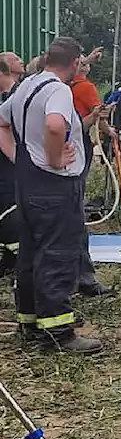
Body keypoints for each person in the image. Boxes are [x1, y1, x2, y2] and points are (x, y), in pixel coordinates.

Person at [0, 37, 101, 354]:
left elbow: (1, 122)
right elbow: (56, 126)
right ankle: (58, 333)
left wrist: (21, 156)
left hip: (28, 185)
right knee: (56, 255)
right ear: (73, 64)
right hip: (55, 187)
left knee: (31, 254)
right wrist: (55, 159)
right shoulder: (58, 89)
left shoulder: (27, 85)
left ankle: (30, 322)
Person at [67, 49, 116, 299]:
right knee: (74, 215)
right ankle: (83, 279)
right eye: (81, 60)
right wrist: (110, 130)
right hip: (74, 148)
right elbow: (98, 114)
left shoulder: (60, 86)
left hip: (60, 153)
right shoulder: (83, 87)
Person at [0, 52, 24, 277]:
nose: (21, 60)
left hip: (13, 167)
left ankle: (14, 260)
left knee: (10, 208)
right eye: (15, 58)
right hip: (9, 166)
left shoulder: (20, 93)